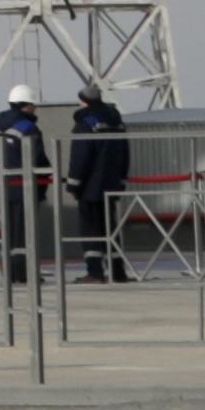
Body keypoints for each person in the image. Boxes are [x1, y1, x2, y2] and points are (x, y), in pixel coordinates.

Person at [65, 87, 137, 284]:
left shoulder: (85, 124)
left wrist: (73, 184)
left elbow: (80, 157)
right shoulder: (117, 122)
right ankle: (117, 271)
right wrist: (121, 179)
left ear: (83, 102)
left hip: (90, 187)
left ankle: (95, 271)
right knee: (110, 229)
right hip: (111, 184)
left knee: (90, 229)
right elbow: (125, 152)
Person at [0, 89, 58, 289]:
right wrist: (48, 173)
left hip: (6, 187)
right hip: (26, 187)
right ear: (26, 105)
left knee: (11, 233)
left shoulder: (2, 128)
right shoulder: (29, 128)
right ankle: (25, 274)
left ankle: (11, 273)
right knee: (25, 234)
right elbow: (37, 158)